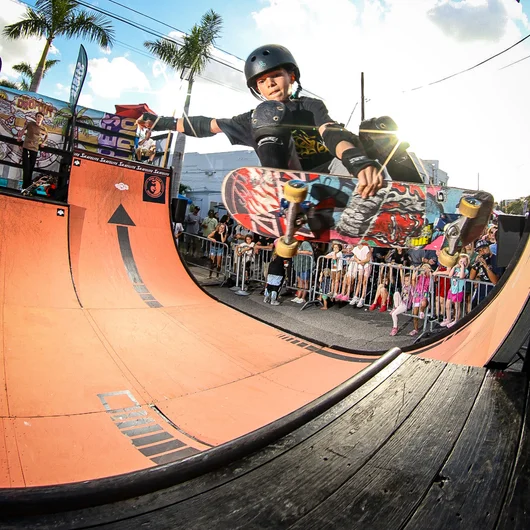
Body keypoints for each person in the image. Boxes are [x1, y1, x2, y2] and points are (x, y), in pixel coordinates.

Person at [139, 44, 386, 200]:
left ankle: (400, 192)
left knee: (380, 127)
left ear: (291, 76)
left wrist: (357, 161)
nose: (270, 83)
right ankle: (277, 185)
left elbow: (331, 133)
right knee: (268, 113)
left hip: (329, 174)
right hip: (290, 181)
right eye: (262, 80)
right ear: (257, 87)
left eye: (276, 75)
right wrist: (160, 122)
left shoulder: (311, 107)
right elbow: (207, 125)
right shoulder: (253, 118)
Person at [18, 112, 48, 190]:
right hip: (27, 147)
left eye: (41, 117)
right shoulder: (30, 124)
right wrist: (20, 137)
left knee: (31, 167)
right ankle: (24, 186)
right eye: (38, 116)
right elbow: (23, 130)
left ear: (42, 119)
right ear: (35, 117)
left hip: (35, 149)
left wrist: (43, 143)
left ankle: (27, 187)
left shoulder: (43, 128)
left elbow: (47, 135)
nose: (39, 118)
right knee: (26, 167)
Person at [441, 254, 470, 328]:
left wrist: (463, 267)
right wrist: (454, 267)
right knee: (447, 305)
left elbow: (461, 276)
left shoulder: (466, 270)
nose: (462, 263)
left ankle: (456, 319)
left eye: (464, 261)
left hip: (458, 290)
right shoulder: (456, 269)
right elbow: (450, 275)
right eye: (461, 261)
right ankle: (448, 318)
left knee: (457, 306)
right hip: (452, 289)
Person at [469, 239, 502, 305]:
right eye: (480, 251)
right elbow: (471, 277)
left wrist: (486, 266)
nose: (482, 252)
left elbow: (495, 281)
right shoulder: (480, 260)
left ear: (489, 247)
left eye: (484, 248)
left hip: (492, 291)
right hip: (481, 290)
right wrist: (476, 264)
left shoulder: (497, 260)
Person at [389, 269, 414, 336]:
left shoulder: (411, 287)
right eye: (405, 281)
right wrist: (400, 269)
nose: (405, 282)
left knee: (394, 314)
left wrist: (414, 271)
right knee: (396, 293)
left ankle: (395, 327)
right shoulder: (404, 286)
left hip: (406, 304)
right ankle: (395, 307)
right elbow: (401, 277)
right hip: (401, 302)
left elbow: (413, 279)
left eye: (407, 281)